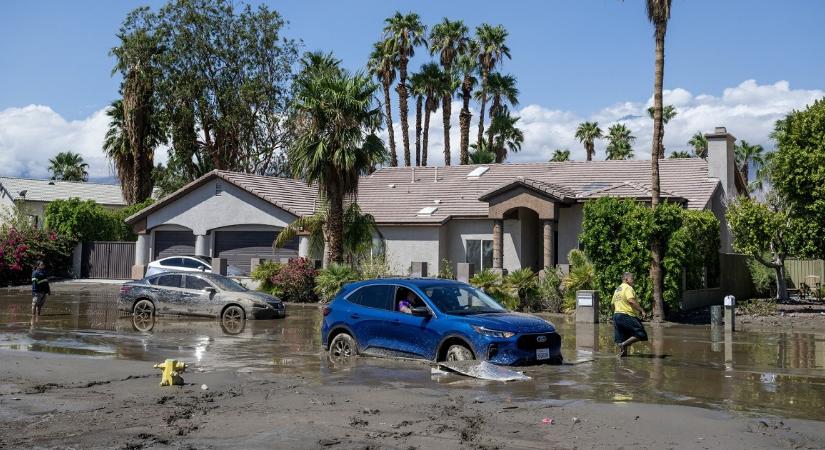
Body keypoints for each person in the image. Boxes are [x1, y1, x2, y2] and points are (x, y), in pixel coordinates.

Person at [612, 272, 647, 357]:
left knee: (622, 336)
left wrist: (615, 314)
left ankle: (623, 356)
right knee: (641, 334)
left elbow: (612, 304)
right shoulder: (628, 288)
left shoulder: (617, 289)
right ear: (626, 279)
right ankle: (623, 345)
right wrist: (641, 310)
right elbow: (631, 301)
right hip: (626, 315)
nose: (633, 280)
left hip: (616, 315)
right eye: (632, 278)